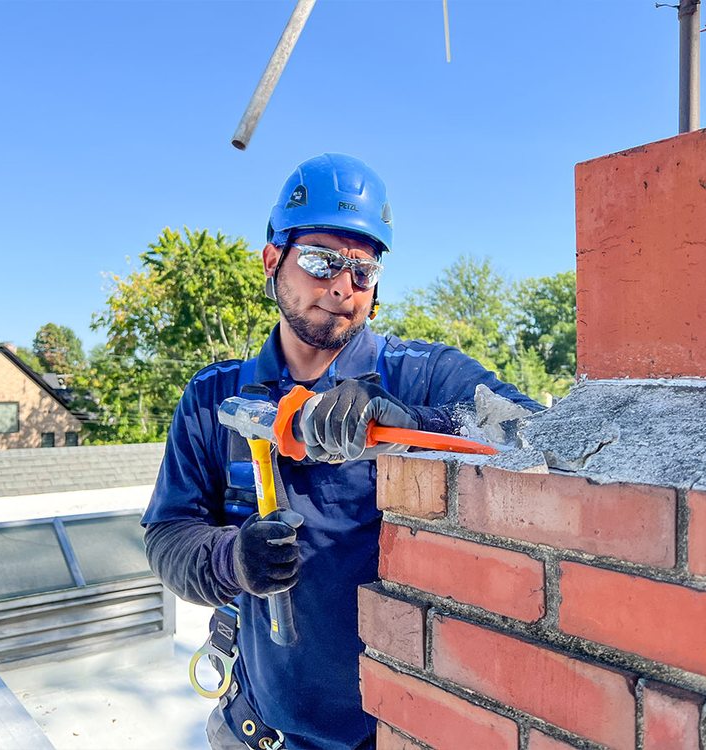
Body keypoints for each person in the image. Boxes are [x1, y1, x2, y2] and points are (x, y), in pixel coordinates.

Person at [143, 153, 541, 750]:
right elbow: (168, 534)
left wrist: (412, 423)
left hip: (393, 730)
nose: (341, 287)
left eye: (362, 268)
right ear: (272, 260)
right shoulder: (214, 399)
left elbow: (532, 431)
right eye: (321, 260)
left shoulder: (418, 376)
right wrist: (233, 561)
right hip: (261, 728)